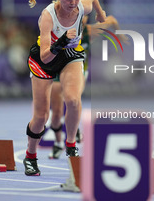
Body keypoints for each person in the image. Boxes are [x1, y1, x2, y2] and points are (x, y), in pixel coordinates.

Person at [23, 0, 106, 176]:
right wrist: (60, 41)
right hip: (45, 60)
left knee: (73, 99)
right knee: (41, 116)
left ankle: (70, 144)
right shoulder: (47, 16)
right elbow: (45, 57)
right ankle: (31, 155)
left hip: (70, 55)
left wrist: (100, 13)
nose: (73, 3)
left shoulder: (81, 7)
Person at [48, 15, 124, 159]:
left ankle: (74, 129)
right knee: (57, 113)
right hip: (58, 71)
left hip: (79, 71)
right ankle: (58, 143)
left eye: (81, 15)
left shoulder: (89, 31)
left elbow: (112, 19)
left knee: (74, 99)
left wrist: (119, 35)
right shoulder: (60, 30)